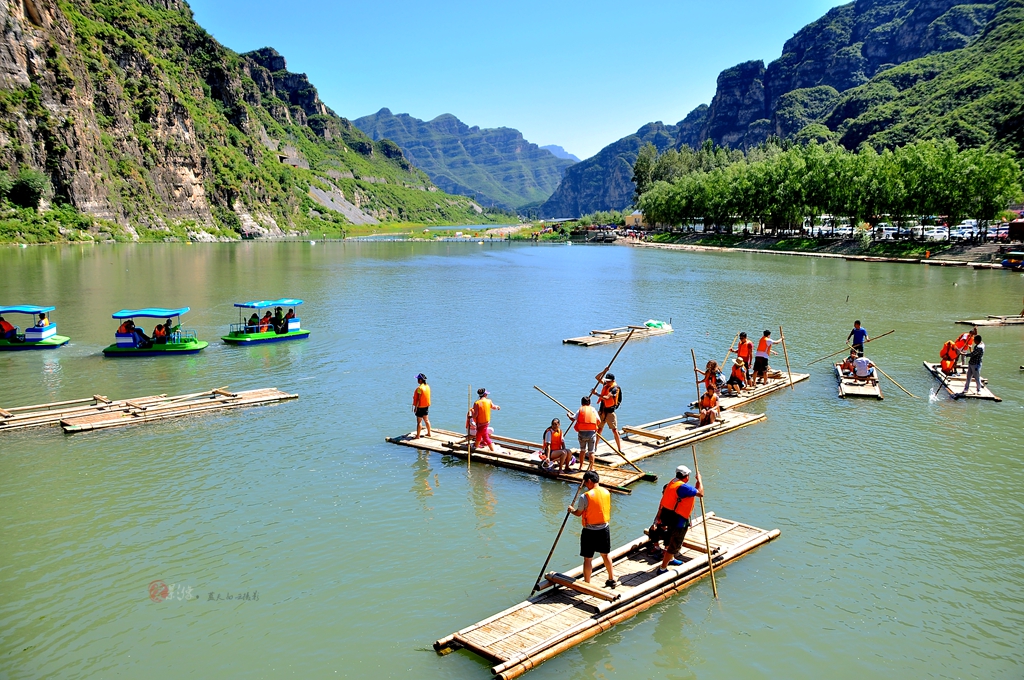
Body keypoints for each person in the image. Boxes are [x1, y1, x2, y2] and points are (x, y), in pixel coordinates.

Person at [568, 470, 616, 588]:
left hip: (590, 531)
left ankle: (587, 583)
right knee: (605, 554)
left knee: (588, 558)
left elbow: (579, 513)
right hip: (604, 529)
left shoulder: (585, 496)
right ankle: (611, 579)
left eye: (585, 483)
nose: (585, 485)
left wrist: (571, 510)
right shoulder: (606, 492)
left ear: (589, 481)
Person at [653, 465, 703, 574]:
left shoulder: (672, 482)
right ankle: (662, 568)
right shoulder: (684, 487)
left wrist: (697, 483)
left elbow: (694, 490)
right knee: (675, 544)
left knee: (671, 538)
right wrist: (700, 480)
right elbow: (700, 493)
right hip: (679, 520)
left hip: (669, 516)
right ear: (686, 476)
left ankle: (670, 559)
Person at [596, 372, 622, 452]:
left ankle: (619, 449)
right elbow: (597, 377)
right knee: (599, 429)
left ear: (613, 380)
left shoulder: (615, 388)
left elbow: (607, 398)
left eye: (608, 381)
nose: (606, 382)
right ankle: (595, 447)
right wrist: (604, 370)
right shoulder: (606, 384)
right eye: (606, 381)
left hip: (610, 412)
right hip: (602, 411)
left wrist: (596, 394)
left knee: (614, 430)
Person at [573, 396, 600, 471]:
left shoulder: (580, 410)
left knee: (582, 450)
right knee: (591, 452)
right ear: (590, 403)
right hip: (591, 433)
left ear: (582, 403)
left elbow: (573, 418)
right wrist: (595, 428)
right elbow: (598, 420)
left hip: (582, 433)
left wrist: (569, 415)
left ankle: (581, 467)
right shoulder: (593, 409)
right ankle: (591, 468)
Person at [412, 373, 431, 439]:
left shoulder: (420, 388)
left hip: (420, 407)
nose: (417, 380)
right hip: (426, 406)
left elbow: (418, 399)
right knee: (426, 420)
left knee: (419, 421)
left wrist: (415, 407)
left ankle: (418, 436)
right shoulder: (427, 386)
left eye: (418, 379)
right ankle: (429, 433)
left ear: (420, 380)